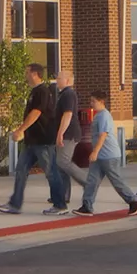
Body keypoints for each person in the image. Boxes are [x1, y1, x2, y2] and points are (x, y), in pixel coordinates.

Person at [0, 64, 63, 215]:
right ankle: (15, 204)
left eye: (27, 72)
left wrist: (20, 129)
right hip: (31, 141)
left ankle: (60, 205)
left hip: (43, 140)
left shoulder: (42, 91)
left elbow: (36, 113)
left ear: (35, 74)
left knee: (51, 172)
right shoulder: (34, 92)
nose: (25, 75)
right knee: (20, 170)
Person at [74, 89, 137, 216]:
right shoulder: (98, 115)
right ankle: (87, 206)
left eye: (93, 101)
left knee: (116, 180)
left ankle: (133, 200)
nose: (91, 103)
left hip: (109, 155)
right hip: (99, 157)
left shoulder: (104, 115)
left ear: (101, 102)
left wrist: (95, 152)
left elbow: (103, 135)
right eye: (91, 101)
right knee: (92, 181)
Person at [52, 67, 86, 201]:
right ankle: (63, 195)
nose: (56, 80)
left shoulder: (68, 94)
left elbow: (68, 115)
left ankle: (88, 182)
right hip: (65, 133)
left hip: (69, 134)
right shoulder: (63, 94)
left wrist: (60, 133)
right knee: (60, 165)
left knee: (63, 161)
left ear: (66, 80)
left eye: (59, 78)